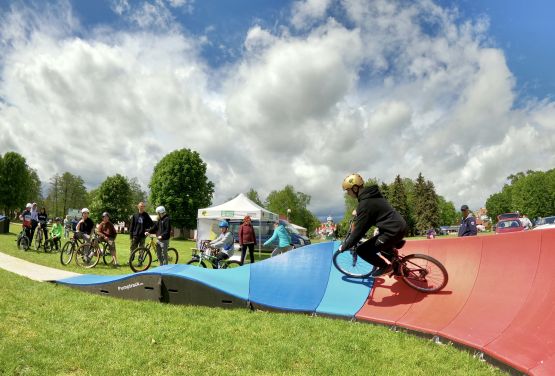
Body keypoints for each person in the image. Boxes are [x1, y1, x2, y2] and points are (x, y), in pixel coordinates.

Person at [339, 173, 408, 277]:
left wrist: (344, 246)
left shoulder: (365, 204)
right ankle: (401, 269)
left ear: (355, 188)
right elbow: (373, 208)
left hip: (392, 231)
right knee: (383, 249)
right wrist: (358, 210)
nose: (347, 193)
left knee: (362, 250)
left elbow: (358, 232)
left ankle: (385, 267)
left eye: (348, 190)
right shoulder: (373, 196)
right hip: (399, 226)